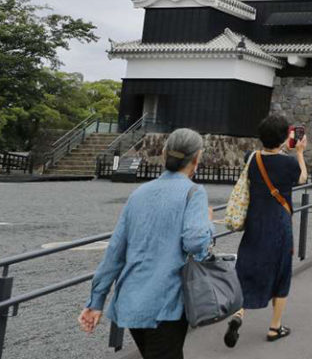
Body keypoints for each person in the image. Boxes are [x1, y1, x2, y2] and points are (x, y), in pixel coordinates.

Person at [78, 128, 213, 359]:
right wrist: (208, 224)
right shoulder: (194, 193)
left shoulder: (139, 193)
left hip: (132, 301)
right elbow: (195, 242)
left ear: (163, 154)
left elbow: (115, 251)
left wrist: (96, 300)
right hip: (166, 303)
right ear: (197, 158)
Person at [224, 114, 308, 347]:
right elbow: (302, 178)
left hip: (255, 222)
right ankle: (275, 326)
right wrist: (299, 152)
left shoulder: (250, 157)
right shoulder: (288, 163)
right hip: (279, 224)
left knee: (248, 268)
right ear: (283, 138)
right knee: (281, 273)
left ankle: (238, 314)